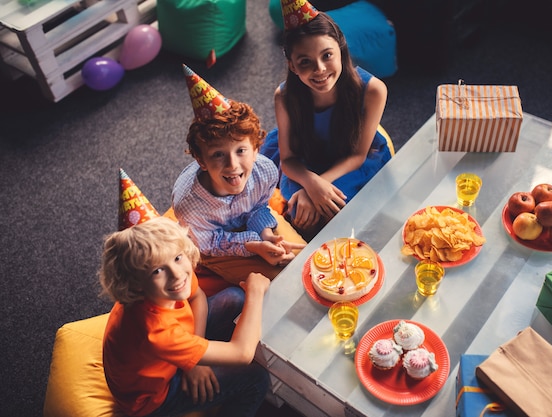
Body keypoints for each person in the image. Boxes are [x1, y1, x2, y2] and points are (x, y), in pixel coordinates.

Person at [99, 216, 271, 417]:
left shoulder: (171, 280)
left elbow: (197, 296)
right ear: (136, 283)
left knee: (234, 298)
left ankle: (204, 355)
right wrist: (256, 293)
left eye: (177, 258)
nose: (177, 274)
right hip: (154, 397)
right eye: (157, 271)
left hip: (166, 353)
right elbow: (242, 354)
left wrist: (196, 361)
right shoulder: (155, 332)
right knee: (257, 378)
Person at [261, 1, 393, 240]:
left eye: (327, 55)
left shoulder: (374, 90)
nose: (320, 69)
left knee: (335, 216)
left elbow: (357, 156)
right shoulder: (284, 96)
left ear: (341, 51)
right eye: (305, 62)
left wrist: (320, 186)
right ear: (292, 65)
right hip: (305, 162)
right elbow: (289, 160)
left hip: (349, 160)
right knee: (300, 216)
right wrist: (310, 184)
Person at [173, 65, 306, 284]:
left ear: (255, 150)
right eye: (218, 154)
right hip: (213, 244)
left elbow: (258, 208)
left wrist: (266, 236)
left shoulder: (264, 171)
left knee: (300, 261)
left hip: (249, 226)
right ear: (201, 160)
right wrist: (251, 245)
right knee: (276, 283)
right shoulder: (189, 206)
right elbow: (209, 243)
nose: (232, 165)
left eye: (241, 151)